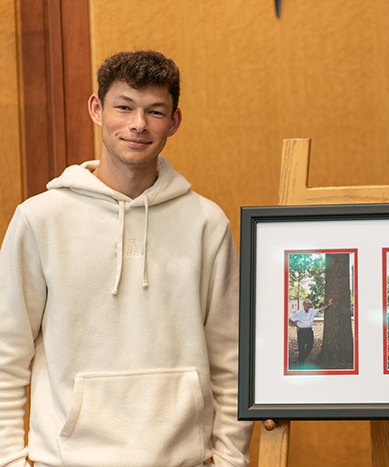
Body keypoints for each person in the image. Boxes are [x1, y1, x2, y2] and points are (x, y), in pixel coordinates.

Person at [0, 50, 254, 466]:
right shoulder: (40, 219)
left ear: (174, 121)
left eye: (155, 111)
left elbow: (232, 358)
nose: (138, 124)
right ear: (97, 109)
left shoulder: (207, 223)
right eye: (124, 107)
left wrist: (229, 460)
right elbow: (6, 354)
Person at [288, 298, 333, 365]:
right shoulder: (299, 312)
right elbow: (290, 319)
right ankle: (301, 362)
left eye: (308, 304)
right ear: (303, 304)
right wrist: (296, 325)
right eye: (306, 304)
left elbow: (320, 309)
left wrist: (328, 305)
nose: (307, 305)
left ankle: (301, 359)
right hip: (301, 331)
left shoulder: (312, 311)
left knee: (310, 347)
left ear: (310, 305)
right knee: (301, 347)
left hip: (309, 331)